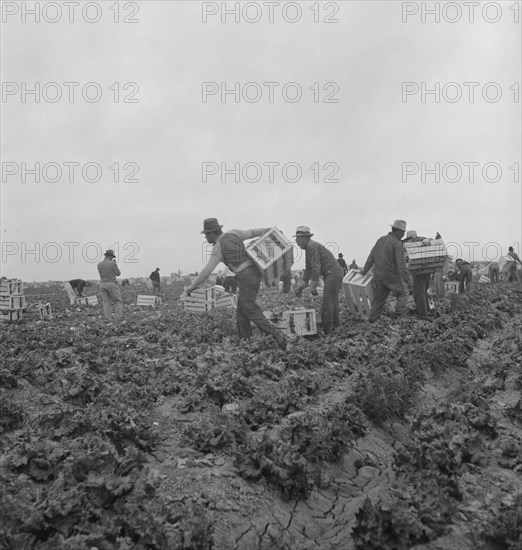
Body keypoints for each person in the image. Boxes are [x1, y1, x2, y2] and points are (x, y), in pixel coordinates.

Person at [184, 218, 287, 350]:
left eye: (206, 234)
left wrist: (191, 288)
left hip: (246, 276)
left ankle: (276, 335)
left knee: (249, 308)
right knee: (241, 312)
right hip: (254, 272)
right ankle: (246, 343)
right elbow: (255, 232)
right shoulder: (234, 233)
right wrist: (273, 231)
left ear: (212, 234)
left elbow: (206, 273)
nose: (205, 237)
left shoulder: (218, 248)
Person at [360, 220, 413, 323]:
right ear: (398, 231)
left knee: (378, 299)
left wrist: (364, 270)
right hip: (391, 277)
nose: (403, 234)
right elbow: (401, 265)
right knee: (403, 293)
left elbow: (371, 258)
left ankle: (372, 320)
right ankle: (398, 317)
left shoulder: (380, 240)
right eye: (402, 232)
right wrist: (409, 281)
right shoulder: (397, 244)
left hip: (378, 277)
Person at [294, 226, 344, 335]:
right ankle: (336, 326)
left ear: (304, 237)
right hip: (333, 273)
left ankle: (327, 331)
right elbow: (308, 269)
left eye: (298, 237)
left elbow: (316, 267)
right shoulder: (309, 248)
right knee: (332, 302)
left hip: (333, 273)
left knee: (328, 302)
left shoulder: (312, 247)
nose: (296, 240)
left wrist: (312, 285)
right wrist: (300, 286)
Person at [403, 230, 432, 321]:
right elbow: (431, 240)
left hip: (418, 272)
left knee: (418, 293)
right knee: (423, 292)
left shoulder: (413, 242)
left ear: (410, 238)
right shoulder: (422, 240)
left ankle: (423, 315)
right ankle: (427, 310)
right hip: (427, 271)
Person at [97, 249, 123, 321]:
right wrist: (115, 264)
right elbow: (118, 273)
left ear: (105, 255)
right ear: (111, 256)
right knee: (117, 301)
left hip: (102, 284)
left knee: (106, 302)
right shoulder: (112, 263)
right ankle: (118, 318)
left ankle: (108, 318)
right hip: (111, 283)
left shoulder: (99, 264)